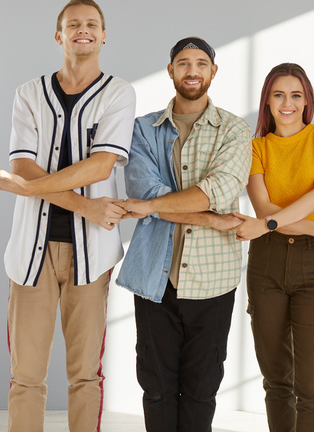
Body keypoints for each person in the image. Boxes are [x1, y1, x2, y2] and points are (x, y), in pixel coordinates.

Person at [0, 0, 136, 431]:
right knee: (26, 376)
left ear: (103, 35)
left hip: (92, 255)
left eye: (92, 24)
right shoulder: (29, 93)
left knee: (85, 374)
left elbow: (102, 164)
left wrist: (24, 189)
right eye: (73, 24)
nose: (83, 30)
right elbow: (24, 163)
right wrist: (83, 204)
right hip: (31, 254)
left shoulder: (119, 92)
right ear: (58, 35)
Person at [115, 37, 252, 431]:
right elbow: (144, 191)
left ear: (213, 71)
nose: (192, 70)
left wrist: (158, 207)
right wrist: (210, 218)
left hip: (213, 278)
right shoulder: (142, 129)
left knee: (201, 388)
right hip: (155, 276)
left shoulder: (234, 129)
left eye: (201, 63)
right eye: (183, 63)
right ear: (170, 70)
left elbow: (221, 190)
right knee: (155, 386)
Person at [232, 63, 314, 432]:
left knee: (311, 385)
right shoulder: (254, 147)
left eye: (296, 95)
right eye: (279, 94)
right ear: (267, 101)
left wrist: (267, 225)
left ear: (307, 100)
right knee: (276, 380)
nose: (288, 103)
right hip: (266, 263)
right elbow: (264, 208)